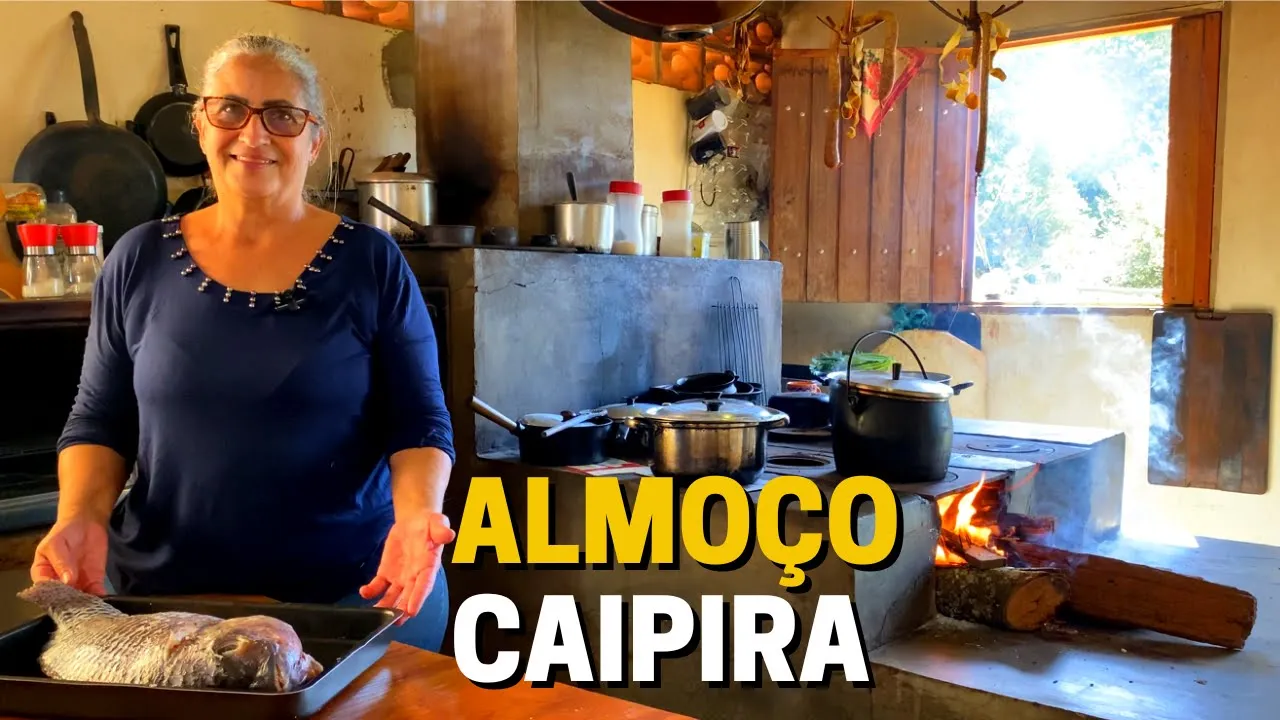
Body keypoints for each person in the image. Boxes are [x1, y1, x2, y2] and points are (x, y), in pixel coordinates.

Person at [28, 33, 457, 653]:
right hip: (164, 606)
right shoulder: (138, 258)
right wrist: (79, 517)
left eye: (281, 115)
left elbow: (419, 420)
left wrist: (418, 516)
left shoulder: (371, 261)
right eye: (230, 109)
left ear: (313, 139)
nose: (253, 135)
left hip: (356, 597)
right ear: (201, 126)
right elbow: (100, 419)